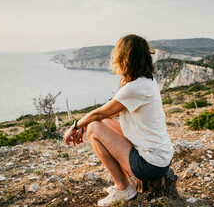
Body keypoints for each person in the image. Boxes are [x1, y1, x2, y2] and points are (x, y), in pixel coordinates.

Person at [63, 34, 174, 206]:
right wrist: (83, 127)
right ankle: (128, 182)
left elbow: (98, 114)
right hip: (160, 158)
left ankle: (124, 188)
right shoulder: (147, 81)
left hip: (151, 165)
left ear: (125, 58)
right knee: (101, 124)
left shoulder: (134, 88)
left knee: (94, 128)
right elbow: (106, 116)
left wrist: (76, 126)